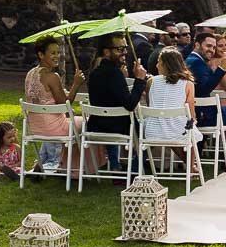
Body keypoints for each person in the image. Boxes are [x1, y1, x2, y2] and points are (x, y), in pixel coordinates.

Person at [87, 32, 149, 174]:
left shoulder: (95, 71)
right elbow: (130, 104)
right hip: (118, 127)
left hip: (96, 125)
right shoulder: (113, 73)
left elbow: (112, 97)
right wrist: (140, 80)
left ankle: (115, 165)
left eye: (125, 48)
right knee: (147, 132)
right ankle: (133, 171)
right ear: (106, 51)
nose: (125, 52)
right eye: (120, 49)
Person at [186, 31, 226, 172]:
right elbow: (204, 88)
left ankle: (199, 158)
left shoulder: (193, 60)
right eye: (208, 46)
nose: (211, 50)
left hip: (198, 111)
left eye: (213, 47)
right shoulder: (196, 63)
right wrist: (221, 69)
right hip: (202, 114)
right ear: (196, 45)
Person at [23, 36, 86, 170]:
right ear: (41, 54)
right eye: (52, 53)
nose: (57, 56)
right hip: (54, 128)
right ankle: (72, 167)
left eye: (58, 52)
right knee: (87, 122)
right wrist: (76, 84)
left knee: (69, 121)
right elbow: (65, 105)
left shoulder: (30, 73)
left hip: (34, 127)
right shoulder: (53, 77)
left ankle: (42, 161)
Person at [141, 47, 203, 173]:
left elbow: (150, 104)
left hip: (152, 131)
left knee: (170, 128)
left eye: (159, 62)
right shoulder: (187, 83)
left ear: (166, 65)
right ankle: (191, 166)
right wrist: (194, 120)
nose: (157, 65)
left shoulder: (151, 81)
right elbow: (190, 112)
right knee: (190, 130)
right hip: (174, 130)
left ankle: (192, 167)